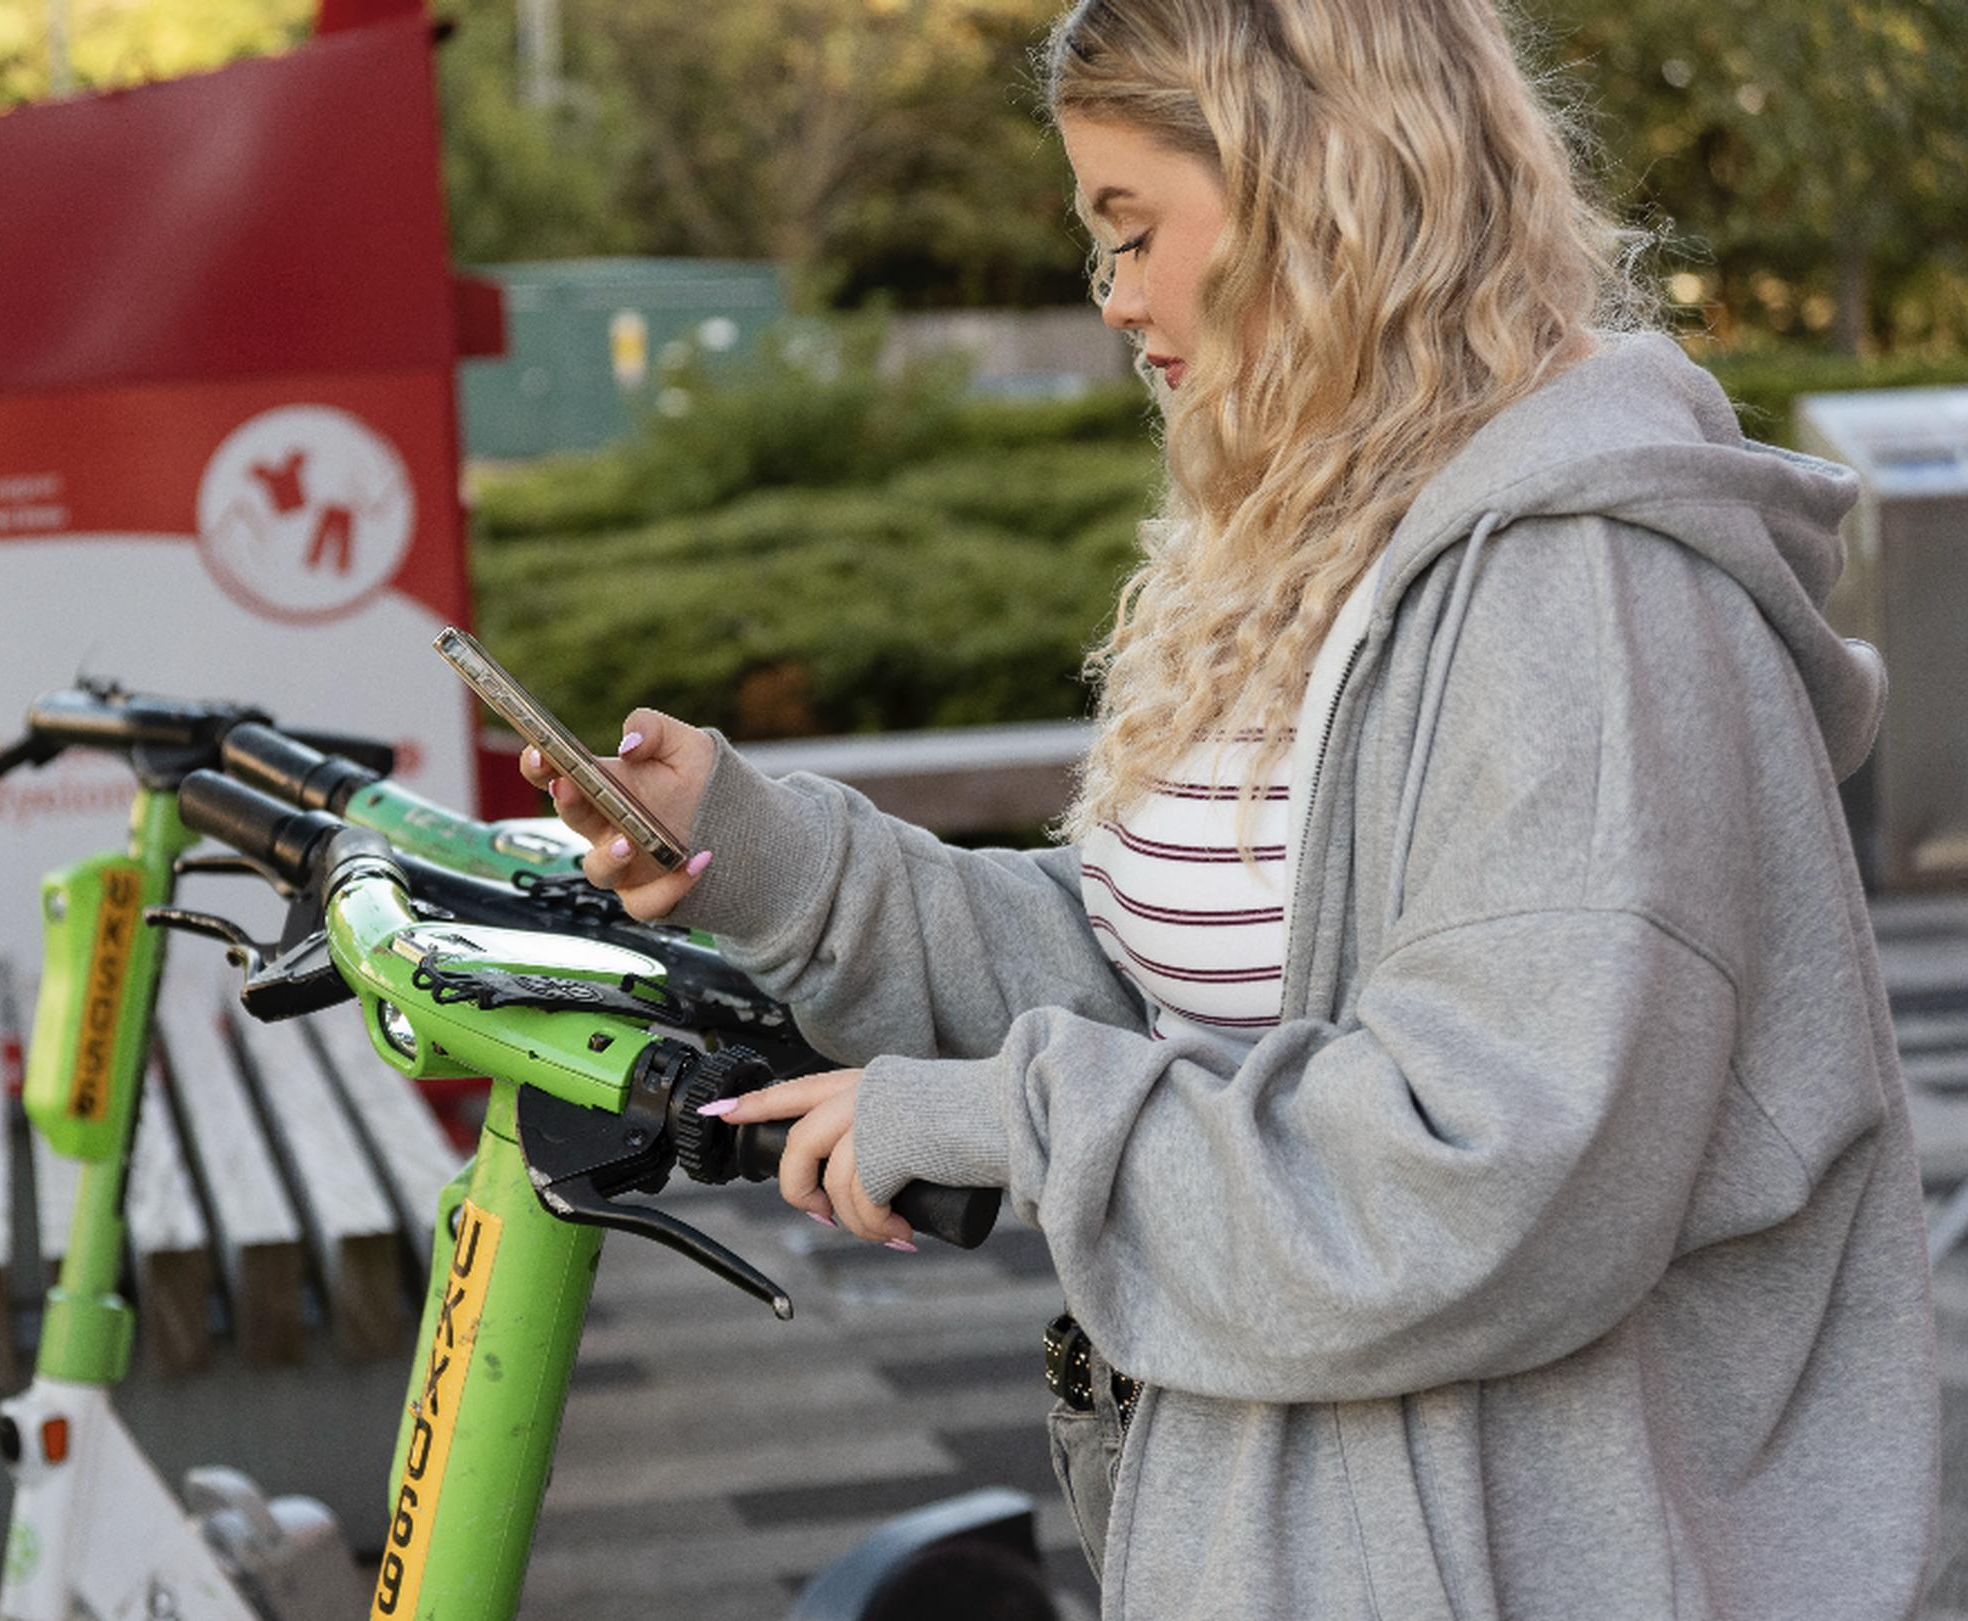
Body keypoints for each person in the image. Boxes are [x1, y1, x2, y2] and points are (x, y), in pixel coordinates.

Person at [520, 0, 1939, 1616]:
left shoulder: (1577, 591)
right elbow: (1157, 997)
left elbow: (1491, 1174)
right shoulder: (1303, 536)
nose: (1112, 295)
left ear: (1311, 186)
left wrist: (1011, 1123)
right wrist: (765, 855)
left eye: (1131, 230)